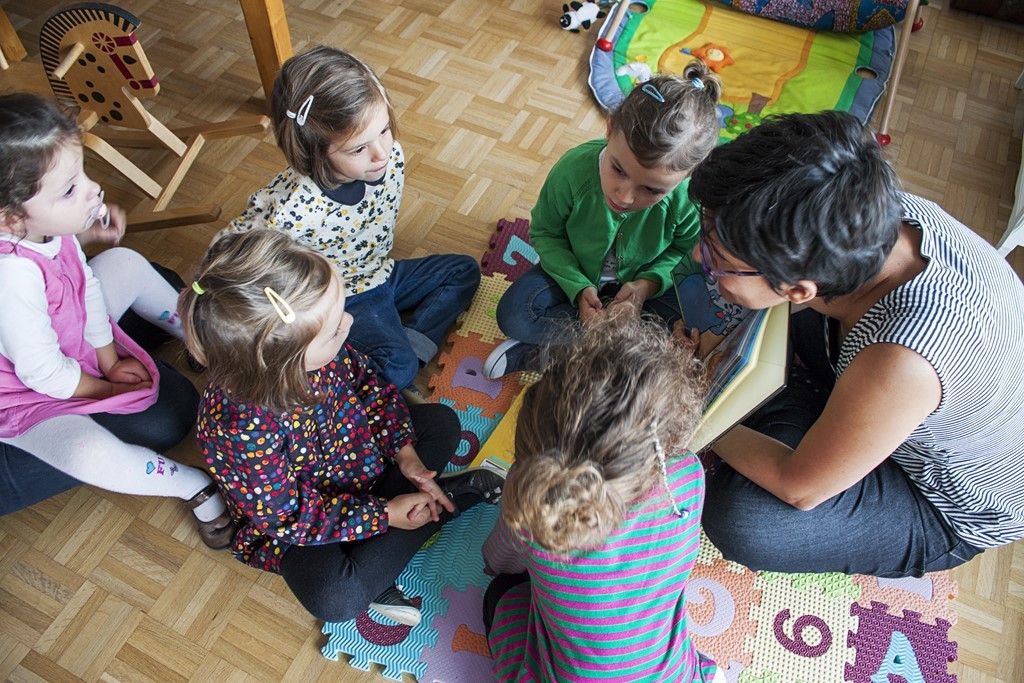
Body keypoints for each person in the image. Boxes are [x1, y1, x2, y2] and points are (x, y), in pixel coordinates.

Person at [687, 110, 1024, 578]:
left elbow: (798, 486)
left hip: (940, 501)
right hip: (887, 385)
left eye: (718, 258)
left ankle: (788, 405)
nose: (698, 255)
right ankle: (795, 404)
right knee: (725, 306)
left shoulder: (901, 358)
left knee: (745, 521)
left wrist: (695, 412)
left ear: (800, 290)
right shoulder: (875, 213)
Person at [179, 229, 503, 625]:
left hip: (358, 462)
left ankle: (386, 547)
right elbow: (288, 516)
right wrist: (384, 515)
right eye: (335, 327)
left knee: (441, 423)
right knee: (335, 597)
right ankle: (441, 507)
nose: (349, 321)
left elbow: (372, 388)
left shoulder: (313, 352)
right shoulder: (238, 429)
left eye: (341, 308)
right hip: (308, 520)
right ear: (286, 364)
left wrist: (405, 454)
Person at [0, 92, 234, 550]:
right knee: (84, 453)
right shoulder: (10, 276)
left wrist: (107, 358)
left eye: (82, 173)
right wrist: (105, 390)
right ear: (10, 220)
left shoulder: (39, 228)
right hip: (30, 392)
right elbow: (42, 372)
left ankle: (214, 349)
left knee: (123, 261)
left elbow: (85, 284)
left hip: (71, 342)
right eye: (69, 189)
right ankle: (192, 485)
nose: (93, 191)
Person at [223, 45, 480, 392]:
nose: (382, 153)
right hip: (341, 298)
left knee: (463, 270)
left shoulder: (389, 156)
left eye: (385, 130)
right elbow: (229, 249)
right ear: (312, 150)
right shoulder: (292, 208)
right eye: (358, 149)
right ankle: (384, 359)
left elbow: (380, 153)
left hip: (381, 272)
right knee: (398, 369)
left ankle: (404, 344)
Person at [481, 317, 722, 683]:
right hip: (668, 673)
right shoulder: (687, 475)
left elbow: (499, 561)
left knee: (500, 594)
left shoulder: (536, 498)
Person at [483, 61, 721, 379]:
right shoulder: (573, 171)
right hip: (576, 274)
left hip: (644, 289)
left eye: (651, 189)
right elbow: (546, 234)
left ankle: (549, 353)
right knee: (515, 313)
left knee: (691, 328)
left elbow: (686, 255)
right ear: (609, 129)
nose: (624, 197)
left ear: (690, 173)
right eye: (618, 170)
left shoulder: (687, 198)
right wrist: (579, 289)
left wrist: (645, 287)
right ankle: (620, 351)